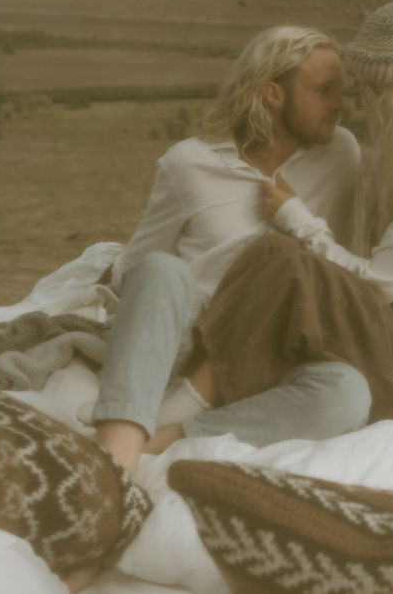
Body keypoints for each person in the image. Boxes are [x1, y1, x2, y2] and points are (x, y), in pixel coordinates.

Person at [190, 1, 393, 430]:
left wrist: (298, 219)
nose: (360, 108)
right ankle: (200, 383)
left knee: (292, 268)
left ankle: (187, 399)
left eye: (367, 93)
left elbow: (377, 285)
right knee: (273, 252)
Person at [87, 25, 372, 479]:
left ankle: (168, 437)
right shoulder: (189, 163)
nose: (341, 104)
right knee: (160, 268)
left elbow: (347, 261)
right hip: (193, 338)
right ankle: (113, 459)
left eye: (342, 89)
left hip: (278, 347)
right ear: (273, 94)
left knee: (348, 392)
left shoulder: (340, 155)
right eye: (324, 91)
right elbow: (138, 266)